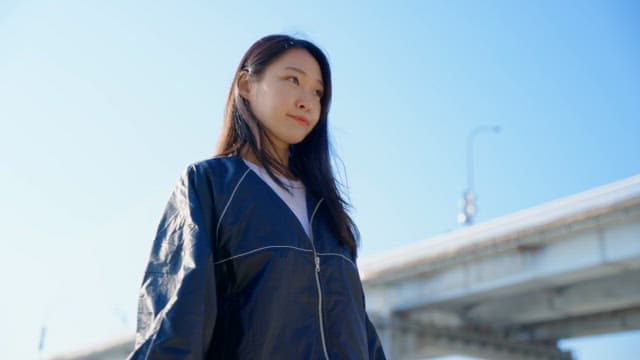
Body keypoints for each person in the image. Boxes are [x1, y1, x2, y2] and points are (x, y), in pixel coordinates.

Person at [129, 34, 387, 359]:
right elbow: (177, 317)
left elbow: (362, 336)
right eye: (293, 80)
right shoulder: (210, 185)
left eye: (318, 92)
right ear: (246, 85)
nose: (307, 100)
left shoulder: (328, 210)